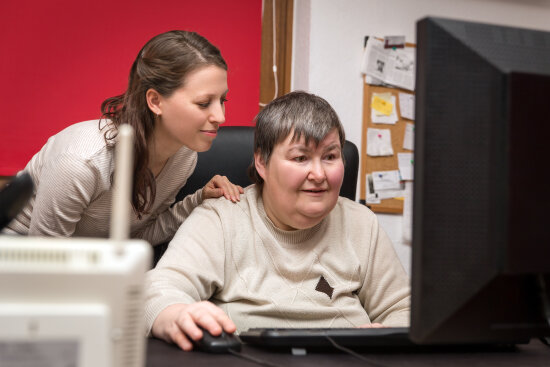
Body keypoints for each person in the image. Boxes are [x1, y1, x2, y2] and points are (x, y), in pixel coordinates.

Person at [145, 91, 410, 351]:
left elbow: (403, 310)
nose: (319, 174)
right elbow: (159, 291)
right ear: (262, 161)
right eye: (300, 158)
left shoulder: (361, 222)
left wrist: (390, 332)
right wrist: (177, 314)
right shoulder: (221, 218)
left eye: (330, 156)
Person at [4, 30, 243, 245]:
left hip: (90, 266)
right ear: (155, 101)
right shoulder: (81, 163)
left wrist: (199, 199)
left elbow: (132, 240)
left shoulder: (184, 155)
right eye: (203, 103)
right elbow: (44, 261)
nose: (220, 116)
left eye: (222, 101)